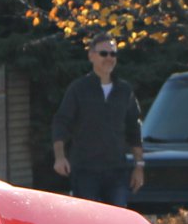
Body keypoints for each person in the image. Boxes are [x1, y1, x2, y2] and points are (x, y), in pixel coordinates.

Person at [51, 33, 144, 206]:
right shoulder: (79, 89)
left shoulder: (124, 91)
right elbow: (61, 122)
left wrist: (139, 166)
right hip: (85, 170)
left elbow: (134, 129)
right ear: (91, 56)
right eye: (103, 53)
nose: (109, 58)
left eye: (113, 54)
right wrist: (60, 157)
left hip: (117, 171)